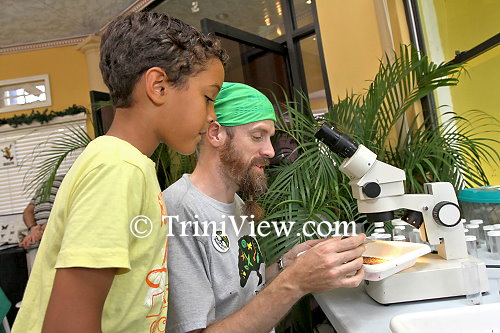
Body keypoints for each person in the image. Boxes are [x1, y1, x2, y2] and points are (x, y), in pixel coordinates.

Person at [12, 12, 227, 333]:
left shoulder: (125, 164)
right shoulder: (118, 169)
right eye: (208, 98)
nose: (212, 116)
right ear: (158, 86)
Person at [163, 82, 366, 333]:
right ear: (216, 134)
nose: (270, 151)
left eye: (269, 138)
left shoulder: (237, 204)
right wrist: (294, 282)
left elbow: (243, 287)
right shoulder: (179, 209)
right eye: (258, 136)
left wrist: (286, 264)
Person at [19, 174, 65, 249]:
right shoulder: (47, 184)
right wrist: (33, 228)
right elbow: (28, 212)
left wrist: (38, 229)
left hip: (57, 238)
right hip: (44, 239)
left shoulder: (48, 183)